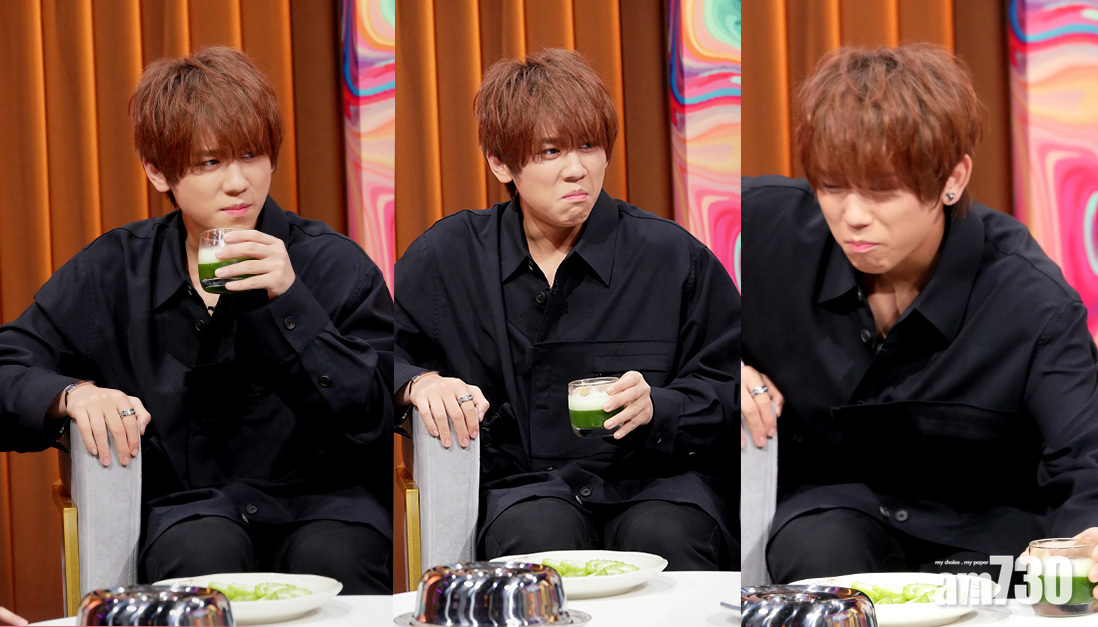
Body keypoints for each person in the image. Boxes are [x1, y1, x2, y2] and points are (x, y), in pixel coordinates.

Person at [0, 47, 393, 593]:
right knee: (203, 554)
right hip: (186, 514)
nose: (238, 182)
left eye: (251, 154)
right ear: (158, 171)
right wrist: (72, 394)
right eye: (210, 163)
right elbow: (9, 366)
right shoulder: (114, 270)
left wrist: (291, 301)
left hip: (321, 505)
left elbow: (372, 414)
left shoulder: (334, 263)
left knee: (340, 556)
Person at [742, 44, 1098, 585]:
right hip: (830, 520)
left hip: (985, 544)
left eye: (882, 191)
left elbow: (1085, 463)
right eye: (832, 186)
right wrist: (723, 368)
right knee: (819, 553)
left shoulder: (1033, 302)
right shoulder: (763, 232)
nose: (853, 216)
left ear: (953, 178)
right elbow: (667, 310)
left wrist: (1087, 542)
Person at [395, 48, 739, 570]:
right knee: (539, 539)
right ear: (500, 163)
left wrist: (660, 406)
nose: (577, 170)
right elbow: (374, 356)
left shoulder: (672, 256)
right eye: (551, 151)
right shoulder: (447, 258)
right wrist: (417, 382)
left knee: (666, 536)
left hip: (656, 483)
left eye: (589, 146)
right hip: (523, 489)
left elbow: (732, 383)